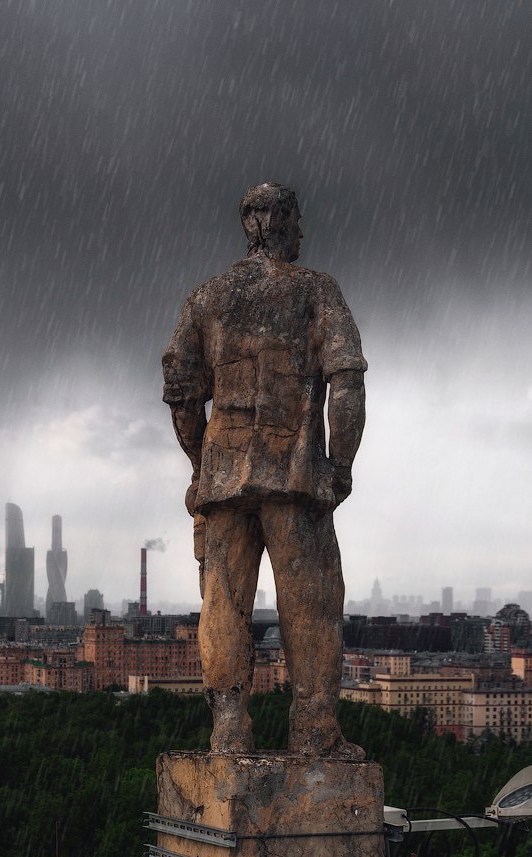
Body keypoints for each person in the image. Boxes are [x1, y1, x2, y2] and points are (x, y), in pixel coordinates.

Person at [162, 183, 367, 758]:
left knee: (223, 602)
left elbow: (180, 393)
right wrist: (340, 465)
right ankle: (314, 730)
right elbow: (347, 384)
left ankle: (229, 730)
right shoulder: (315, 293)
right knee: (312, 601)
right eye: (297, 220)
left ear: (249, 225)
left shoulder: (208, 298)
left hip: (224, 477)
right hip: (295, 476)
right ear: (286, 224)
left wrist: (202, 461)